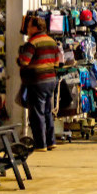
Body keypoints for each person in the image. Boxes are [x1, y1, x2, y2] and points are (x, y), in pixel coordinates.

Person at [17, 15, 60, 151]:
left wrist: (19, 59)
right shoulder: (52, 41)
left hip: (37, 81)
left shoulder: (32, 43)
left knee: (37, 114)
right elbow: (57, 62)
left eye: (29, 26)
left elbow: (24, 61)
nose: (27, 29)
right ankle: (51, 141)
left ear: (35, 28)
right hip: (51, 80)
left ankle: (41, 144)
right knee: (47, 112)